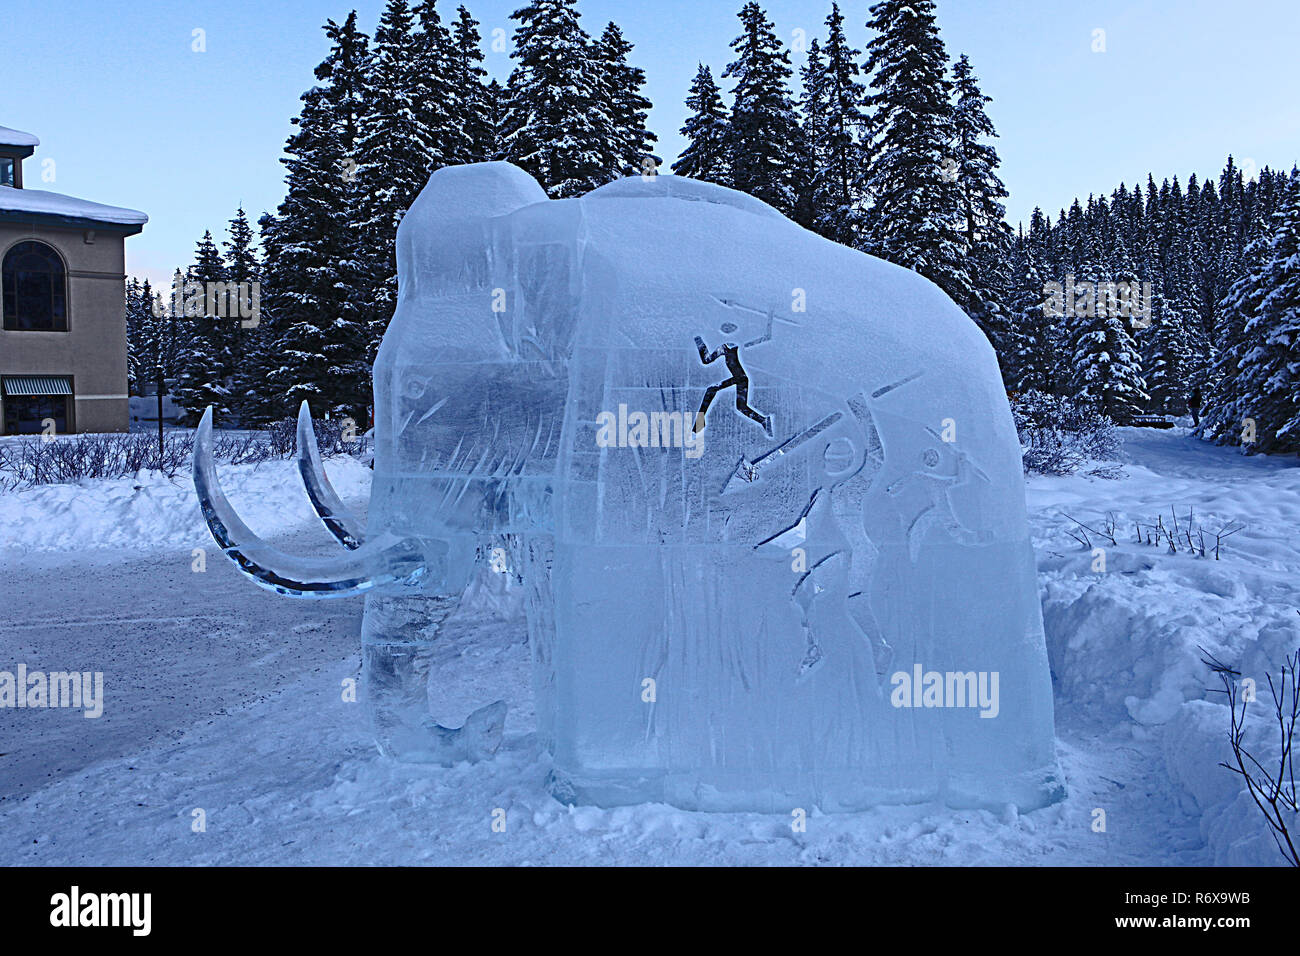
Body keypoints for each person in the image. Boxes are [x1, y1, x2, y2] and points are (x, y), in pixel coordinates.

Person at [693, 323, 772, 436]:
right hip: (740, 379)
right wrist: (700, 343)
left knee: (712, 390)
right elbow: (707, 360)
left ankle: (699, 422)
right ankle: (764, 421)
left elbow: (754, 341)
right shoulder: (724, 348)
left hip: (740, 378)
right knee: (741, 407)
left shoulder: (732, 346)